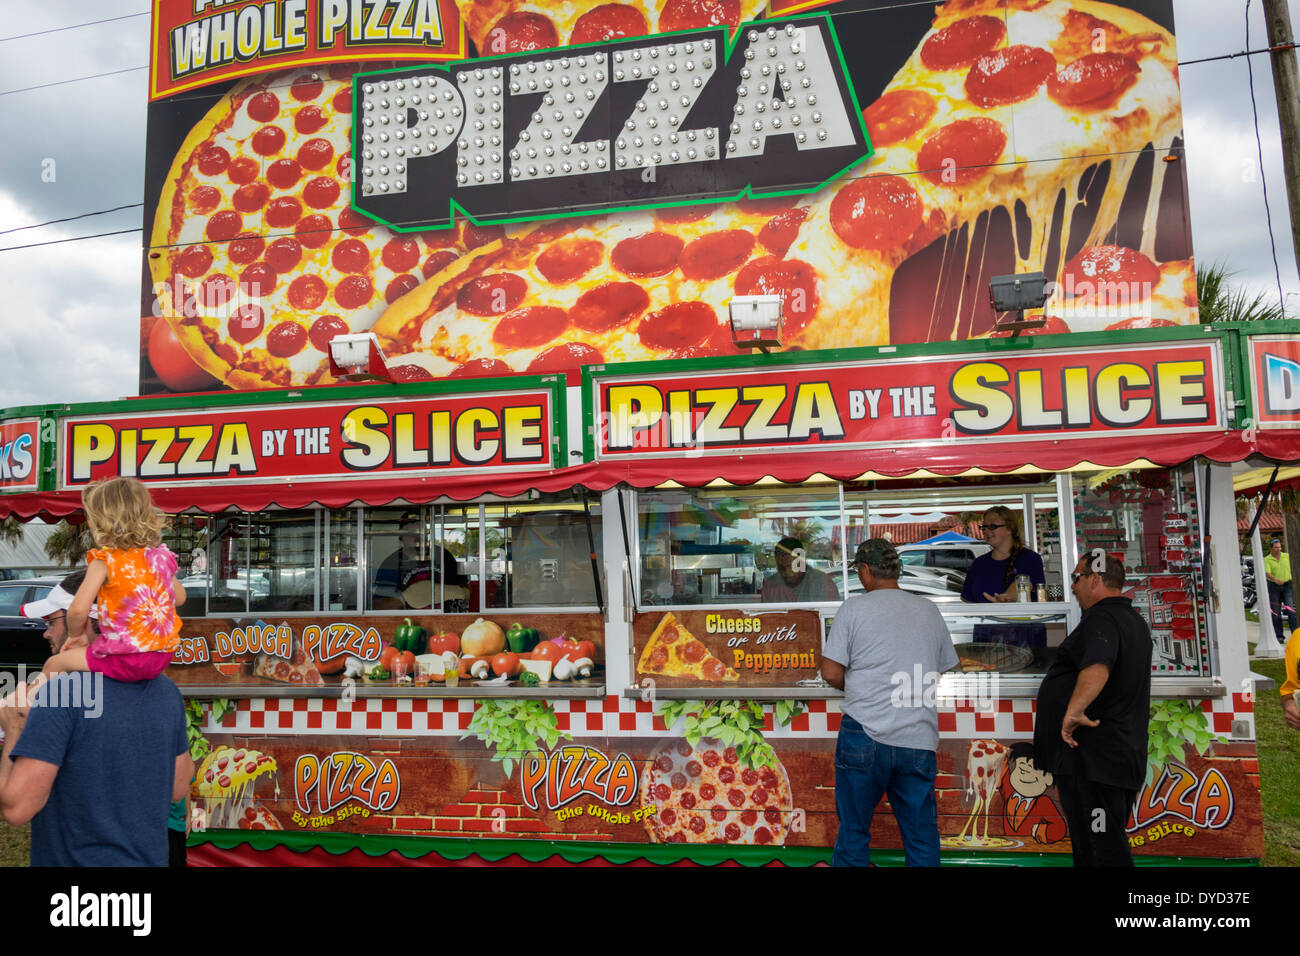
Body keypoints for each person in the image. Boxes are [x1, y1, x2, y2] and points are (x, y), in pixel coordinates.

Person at [0, 572, 192, 865]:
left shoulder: (62, 693)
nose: (46, 633)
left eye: (53, 622)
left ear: (87, 621)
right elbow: (178, 786)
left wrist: (13, 730)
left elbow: (17, 808)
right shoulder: (165, 690)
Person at [822, 538, 958, 866]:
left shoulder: (853, 608)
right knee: (922, 836)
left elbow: (829, 671)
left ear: (866, 571)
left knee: (854, 832)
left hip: (863, 734)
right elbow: (942, 668)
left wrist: (858, 686)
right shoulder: (928, 609)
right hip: (918, 736)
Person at [1033, 552, 1151, 867]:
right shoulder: (1131, 620)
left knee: (1102, 850)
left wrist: (1073, 712)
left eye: (1076, 578)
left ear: (1094, 579)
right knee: (1095, 845)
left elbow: (1099, 662)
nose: (1072, 586)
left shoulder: (1102, 619)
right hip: (1110, 760)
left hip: (1096, 763)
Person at [43, 477, 184, 682]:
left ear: (97, 524)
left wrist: (76, 635)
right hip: (161, 656)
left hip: (125, 659)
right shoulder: (160, 558)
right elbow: (179, 598)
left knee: (55, 664)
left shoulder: (104, 562)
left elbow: (77, 611)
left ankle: (33, 711)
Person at [372, 511, 469, 610]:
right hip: (409, 624)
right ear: (401, 536)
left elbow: (467, 590)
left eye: (421, 533)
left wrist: (449, 591)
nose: (417, 538)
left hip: (444, 621)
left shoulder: (444, 556)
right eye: (411, 534)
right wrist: (404, 598)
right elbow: (378, 606)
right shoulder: (391, 563)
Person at [961, 506, 1046, 603]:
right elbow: (967, 600)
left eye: (993, 526)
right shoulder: (978, 563)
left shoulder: (1030, 559)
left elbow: (1024, 584)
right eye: (984, 527)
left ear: (1010, 528)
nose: (986, 531)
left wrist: (1005, 598)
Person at [997, 742, 1067, 845]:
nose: (1024, 772)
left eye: (1033, 768)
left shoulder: (1043, 802)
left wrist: (1040, 831)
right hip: (1011, 848)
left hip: (1033, 848)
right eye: (1021, 767)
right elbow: (1003, 777)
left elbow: (1059, 828)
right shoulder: (1011, 795)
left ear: (1048, 778)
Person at [760, 537, 840, 603]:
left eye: (791, 566)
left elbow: (830, 618)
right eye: (782, 568)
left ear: (802, 561)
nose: (787, 572)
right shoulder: (770, 586)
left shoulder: (823, 583)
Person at [1264, 539, 1296, 642]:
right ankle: (1279, 636)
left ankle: (1295, 635)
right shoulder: (1267, 559)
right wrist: (1275, 579)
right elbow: (1267, 572)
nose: (1278, 549)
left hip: (1287, 586)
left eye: (1279, 547)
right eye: (1276, 547)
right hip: (1274, 587)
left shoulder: (1286, 556)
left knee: (1291, 611)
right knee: (1276, 613)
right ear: (1271, 548)